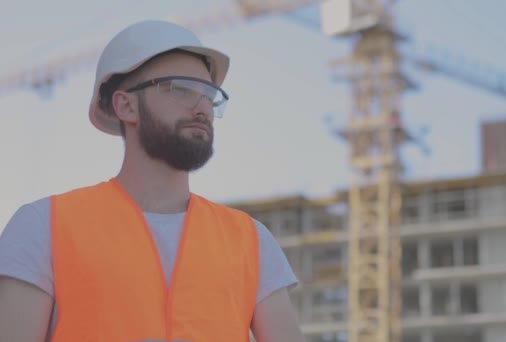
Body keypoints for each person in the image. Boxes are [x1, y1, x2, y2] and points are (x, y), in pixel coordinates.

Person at [0, 20, 306, 342]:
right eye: (180, 88)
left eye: (209, 94)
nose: (202, 107)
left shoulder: (251, 241)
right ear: (126, 105)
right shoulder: (42, 227)